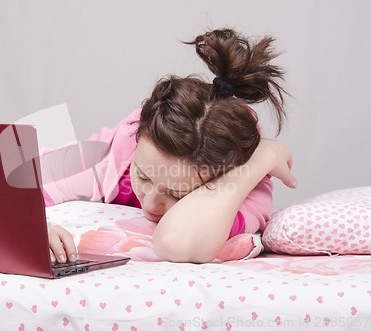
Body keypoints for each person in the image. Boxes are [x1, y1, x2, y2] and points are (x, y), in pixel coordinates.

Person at [44, 28, 297, 264]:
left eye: (177, 194)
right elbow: (18, 178)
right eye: (142, 176)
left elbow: (176, 243)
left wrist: (260, 158)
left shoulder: (245, 190)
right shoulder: (117, 152)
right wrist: (33, 225)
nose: (152, 204)